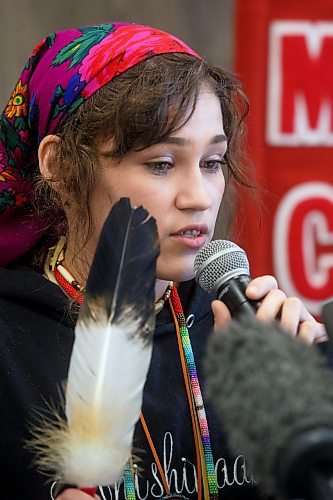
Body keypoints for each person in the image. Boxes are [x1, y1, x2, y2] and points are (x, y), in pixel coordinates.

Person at [0, 22, 328, 500]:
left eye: (212, 163)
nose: (199, 197)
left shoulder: (241, 328)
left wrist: (312, 407)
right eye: (161, 163)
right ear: (62, 168)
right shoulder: (11, 342)